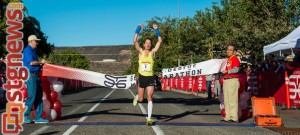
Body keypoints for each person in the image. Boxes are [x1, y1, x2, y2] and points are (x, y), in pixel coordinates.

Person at [132, 24, 162, 125]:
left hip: (150, 77)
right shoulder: (140, 52)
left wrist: (156, 30)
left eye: (149, 43)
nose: (148, 44)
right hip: (141, 77)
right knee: (141, 99)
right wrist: (138, 29)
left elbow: (160, 41)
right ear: (144, 44)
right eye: (146, 43)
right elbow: (135, 41)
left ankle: (149, 119)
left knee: (149, 96)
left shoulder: (153, 52)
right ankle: (137, 96)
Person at [23, 35, 49, 123]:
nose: (37, 43)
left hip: (35, 75)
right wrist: (40, 62)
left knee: (38, 97)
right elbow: (31, 63)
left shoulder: (33, 51)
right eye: (36, 41)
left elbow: (34, 63)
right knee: (32, 96)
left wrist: (40, 64)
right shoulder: (27, 50)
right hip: (31, 75)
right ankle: (24, 115)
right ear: (30, 41)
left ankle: (38, 117)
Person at [221, 44, 240, 123]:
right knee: (227, 100)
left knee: (232, 99)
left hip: (232, 80)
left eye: (230, 49)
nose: (228, 51)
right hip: (226, 80)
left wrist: (227, 71)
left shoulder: (235, 58)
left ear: (234, 52)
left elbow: (236, 69)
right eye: (227, 49)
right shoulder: (228, 59)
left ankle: (234, 117)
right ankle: (228, 116)